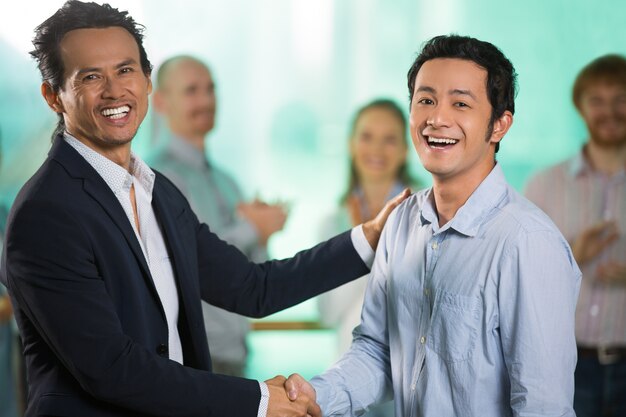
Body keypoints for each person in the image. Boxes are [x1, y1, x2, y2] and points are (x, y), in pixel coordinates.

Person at [0, 2, 408, 417]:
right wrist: (260, 401)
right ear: (53, 96)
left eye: (125, 71)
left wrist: (370, 236)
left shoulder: (160, 194)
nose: (114, 90)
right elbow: (111, 368)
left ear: (146, 81)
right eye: (90, 77)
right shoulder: (45, 213)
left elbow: (252, 287)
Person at [284, 34, 582, 417]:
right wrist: (315, 395)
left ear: (499, 125)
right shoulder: (400, 224)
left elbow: (543, 407)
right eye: (425, 100)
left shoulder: (527, 243)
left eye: (460, 103)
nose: (437, 118)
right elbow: (377, 351)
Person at [150, 55, 287, 377]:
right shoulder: (155, 178)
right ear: (160, 102)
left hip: (233, 356)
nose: (206, 100)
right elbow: (185, 258)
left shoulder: (227, 182)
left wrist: (262, 233)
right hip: (189, 359)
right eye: (191, 90)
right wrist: (252, 227)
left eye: (210, 89)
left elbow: (250, 272)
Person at [525, 54, 626, 417]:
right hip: (563, 368)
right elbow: (516, 278)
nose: (609, 112)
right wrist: (571, 256)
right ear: (579, 108)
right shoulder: (543, 186)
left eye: (620, 99)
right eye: (596, 100)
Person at [317, 99, 416, 417]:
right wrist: (362, 242)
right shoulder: (332, 222)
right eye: (367, 136)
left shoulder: (428, 215)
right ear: (350, 144)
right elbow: (328, 313)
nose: (377, 149)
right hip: (349, 383)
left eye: (390, 139)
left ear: (405, 148)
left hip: (413, 382)